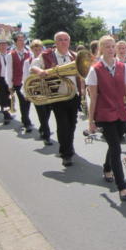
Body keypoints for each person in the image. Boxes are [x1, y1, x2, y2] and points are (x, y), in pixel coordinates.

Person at [86, 35, 126, 201]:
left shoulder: (122, 66)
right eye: (107, 47)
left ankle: (107, 167)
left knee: (114, 143)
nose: (110, 49)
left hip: (121, 113)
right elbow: (93, 97)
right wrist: (91, 121)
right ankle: (122, 186)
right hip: (104, 114)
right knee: (116, 148)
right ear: (101, 49)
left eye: (112, 46)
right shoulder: (95, 69)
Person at [31, 31, 81, 167]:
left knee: (72, 124)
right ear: (56, 42)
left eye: (66, 39)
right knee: (63, 125)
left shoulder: (75, 56)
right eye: (60, 40)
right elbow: (33, 65)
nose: (63, 42)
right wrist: (39, 71)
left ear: (69, 42)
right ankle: (66, 154)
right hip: (57, 96)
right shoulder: (46, 55)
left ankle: (68, 146)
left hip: (73, 96)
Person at [23, 39, 52, 145]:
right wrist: (26, 92)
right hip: (35, 90)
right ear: (32, 50)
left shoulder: (45, 60)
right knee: (42, 113)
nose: (38, 51)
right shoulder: (28, 61)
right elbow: (25, 77)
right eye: (35, 50)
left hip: (47, 89)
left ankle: (42, 128)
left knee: (48, 111)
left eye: (40, 49)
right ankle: (46, 135)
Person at [5, 32, 32, 132]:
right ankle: (26, 123)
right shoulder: (10, 55)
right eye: (19, 40)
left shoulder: (29, 53)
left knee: (28, 101)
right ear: (15, 42)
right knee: (23, 101)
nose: (22, 42)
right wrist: (10, 85)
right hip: (17, 82)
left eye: (23, 40)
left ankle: (25, 119)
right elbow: (9, 71)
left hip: (28, 82)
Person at [0, 38, 12, 124]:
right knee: (3, 98)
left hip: (9, 79)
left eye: (4, 45)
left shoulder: (10, 55)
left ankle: (7, 111)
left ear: (7, 46)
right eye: (1, 45)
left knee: (10, 98)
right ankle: (6, 115)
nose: (3, 46)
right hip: (0, 79)